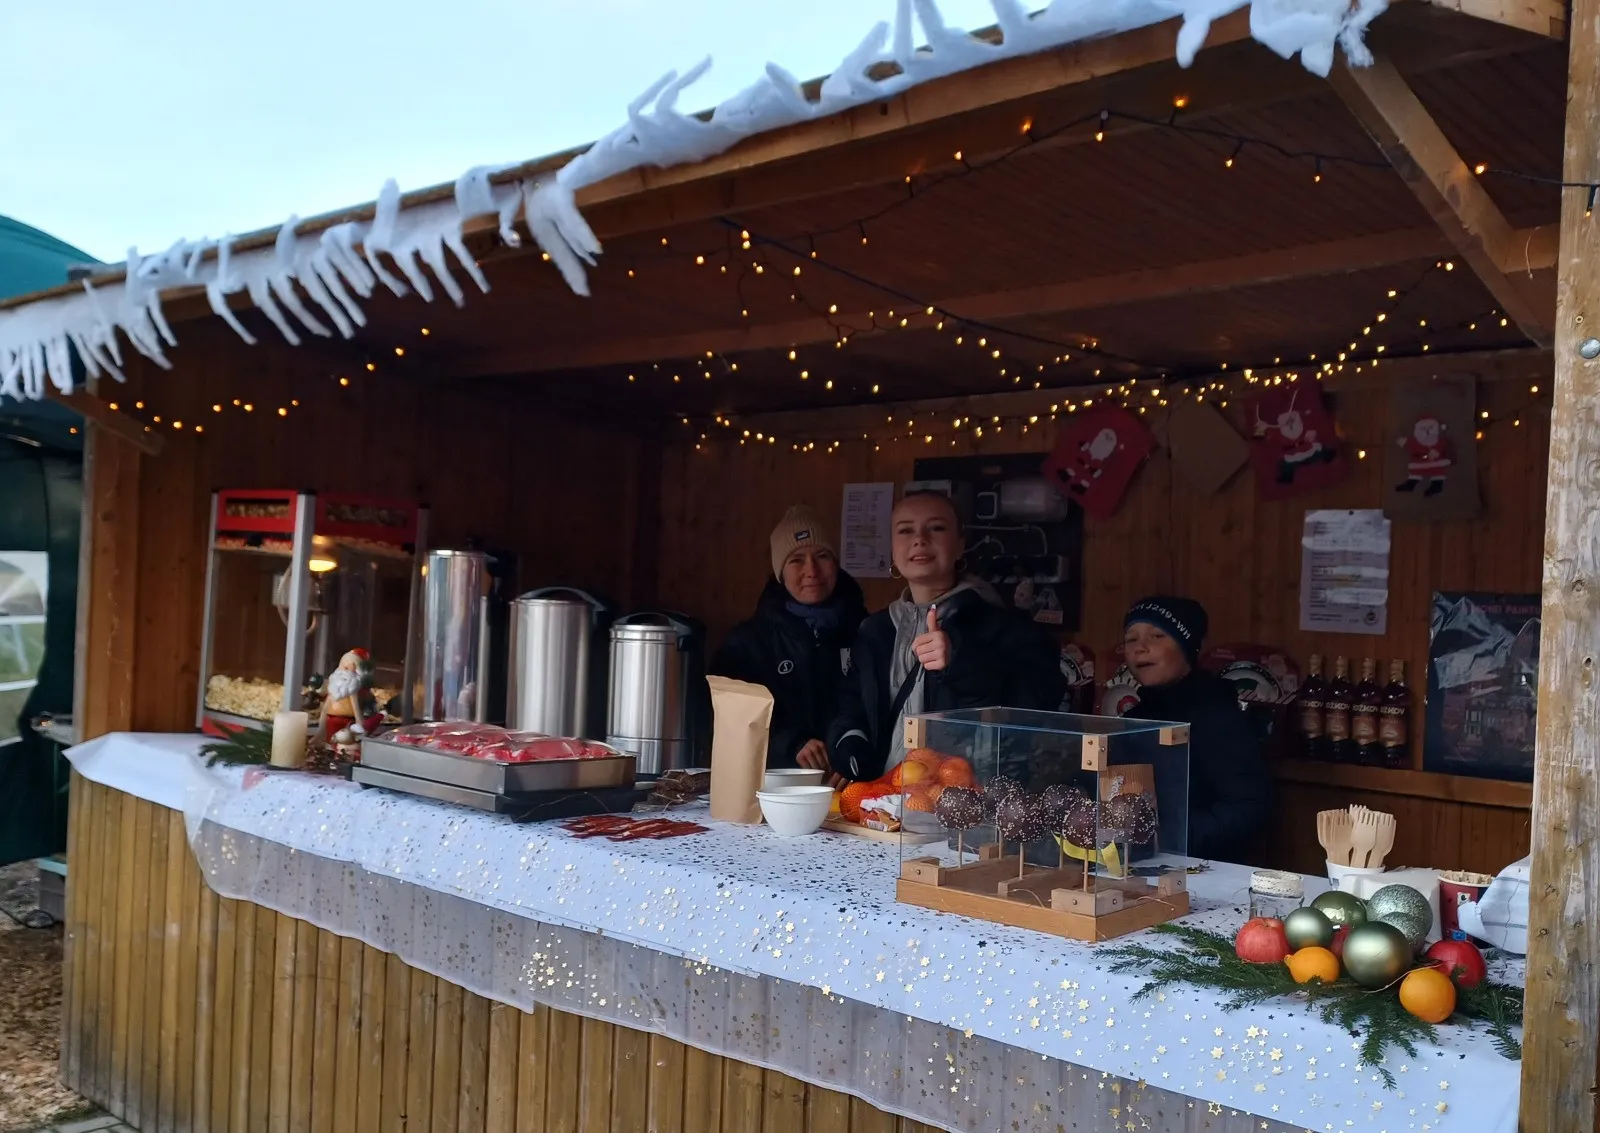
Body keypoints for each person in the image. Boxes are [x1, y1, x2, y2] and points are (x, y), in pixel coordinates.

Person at [828, 491, 1066, 782]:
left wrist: (961, 661)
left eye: (936, 528)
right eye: (905, 530)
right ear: (892, 548)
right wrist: (849, 740)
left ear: (960, 546)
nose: (919, 539)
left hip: (966, 796)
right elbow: (851, 702)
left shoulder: (1004, 625)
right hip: (883, 797)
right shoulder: (875, 630)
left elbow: (1042, 699)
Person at [710, 506, 867, 771]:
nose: (812, 570)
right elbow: (729, 715)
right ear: (780, 573)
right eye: (796, 560)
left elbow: (877, 709)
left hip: (854, 780)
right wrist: (792, 745)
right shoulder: (747, 643)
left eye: (822, 556)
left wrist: (853, 754)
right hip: (776, 780)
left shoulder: (867, 632)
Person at [1120, 596, 1271, 863]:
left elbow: (1246, 809)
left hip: (1203, 870)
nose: (1140, 648)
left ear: (1188, 647)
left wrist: (1166, 839)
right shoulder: (1134, 719)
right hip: (1138, 865)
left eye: (1157, 636)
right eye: (1131, 639)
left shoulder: (1218, 717)